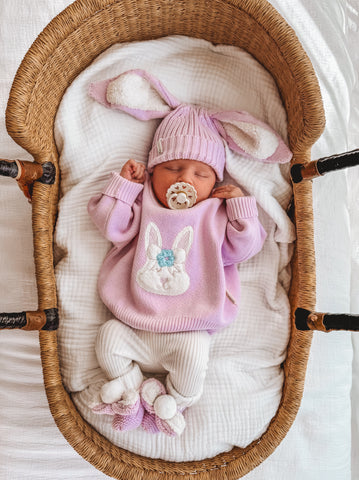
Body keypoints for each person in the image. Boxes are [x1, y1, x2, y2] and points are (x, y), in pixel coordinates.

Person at [87, 69, 292, 437]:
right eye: (173, 168)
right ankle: (132, 389)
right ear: (152, 171)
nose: (185, 180)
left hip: (189, 329)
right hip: (133, 321)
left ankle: (173, 402)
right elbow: (111, 225)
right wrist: (124, 187)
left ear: (216, 181)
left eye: (201, 174)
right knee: (107, 339)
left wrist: (241, 209)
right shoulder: (145, 201)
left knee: (195, 357)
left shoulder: (213, 215)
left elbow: (244, 249)